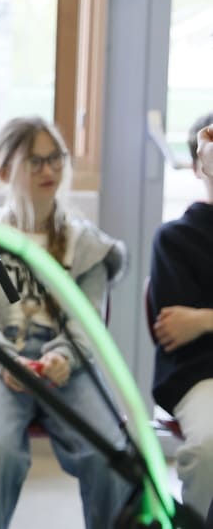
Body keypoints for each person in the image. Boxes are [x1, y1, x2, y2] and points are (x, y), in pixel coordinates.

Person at [0, 115, 133, 529]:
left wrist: (61, 358)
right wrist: (5, 361)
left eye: (56, 159)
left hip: (66, 363)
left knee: (110, 452)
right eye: (35, 162)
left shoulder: (87, 246)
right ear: (5, 171)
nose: (49, 171)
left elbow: (86, 323)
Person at [149, 111, 213, 520]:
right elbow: (175, 328)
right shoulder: (175, 238)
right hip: (200, 374)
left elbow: (193, 323)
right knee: (210, 447)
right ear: (197, 165)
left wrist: (205, 319)